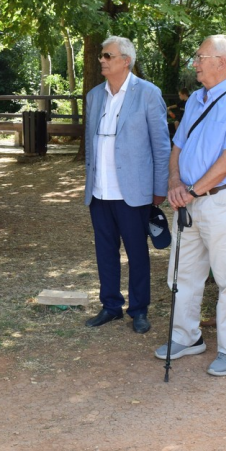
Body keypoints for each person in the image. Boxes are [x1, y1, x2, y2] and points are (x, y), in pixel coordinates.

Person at [153, 35, 226, 375]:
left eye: (200, 57)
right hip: (189, 199)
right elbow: (178, 146)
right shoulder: (196, 98)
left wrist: (192, 190)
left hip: (221, 200)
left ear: (221, 62)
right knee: (183, 273)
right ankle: (187, 337)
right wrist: (174, 184)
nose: (194, 63)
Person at [82, 36, 170, 334]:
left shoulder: (147, 93)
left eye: (108, 56)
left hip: (133, 191)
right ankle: (110, 306)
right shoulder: (94, 95)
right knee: (105, 250)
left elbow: (161, 145)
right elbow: (89, 142)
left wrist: (160, 189)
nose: (102, 60)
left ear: (125, 60)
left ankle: (139, 309)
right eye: (102, 56)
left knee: (137, 252)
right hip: (99, 190)